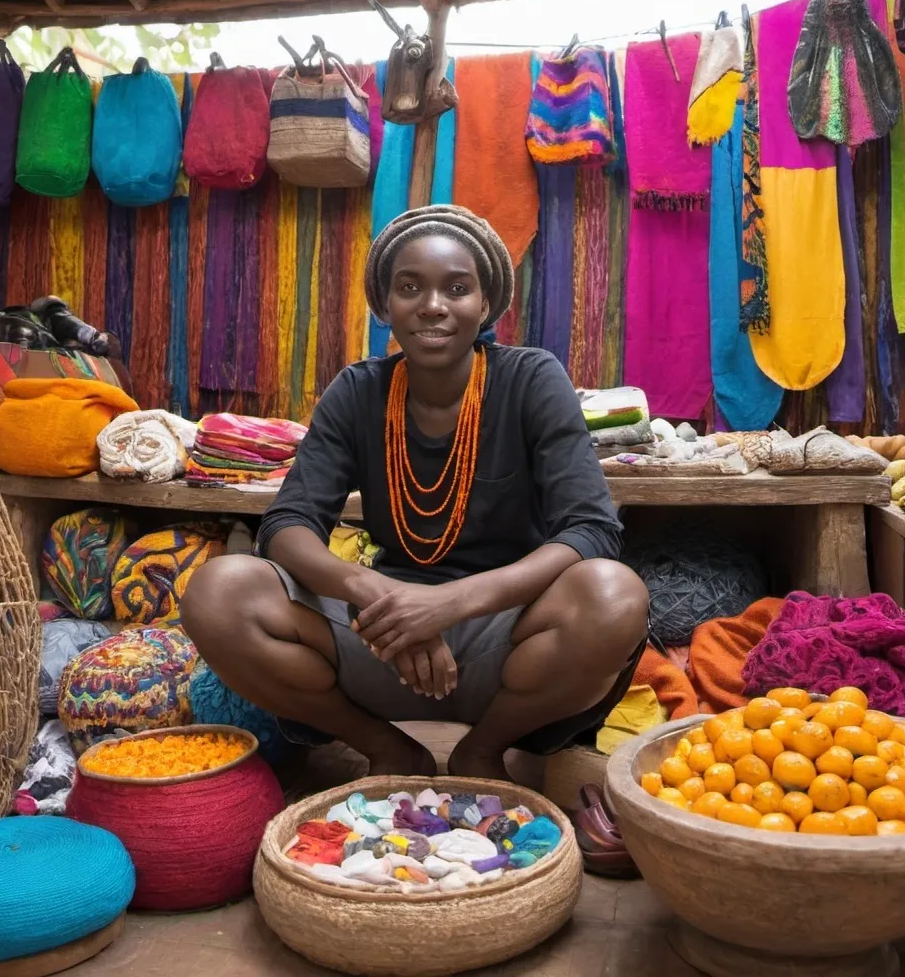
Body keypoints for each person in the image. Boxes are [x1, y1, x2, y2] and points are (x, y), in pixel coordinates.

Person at [182, 205, 649, 780]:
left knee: (614, 595)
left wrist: (449, 605)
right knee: (218, 593)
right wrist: (380, 600)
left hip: (506, 631)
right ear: (384, 306)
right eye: (410, 287)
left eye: (457, 288)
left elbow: (593, 530)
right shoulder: (358, 391)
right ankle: (385, 748)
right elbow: (287, 524)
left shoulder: (531, 379)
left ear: (485, 305)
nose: (433, 305)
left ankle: (485, 748)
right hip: (379, 635)